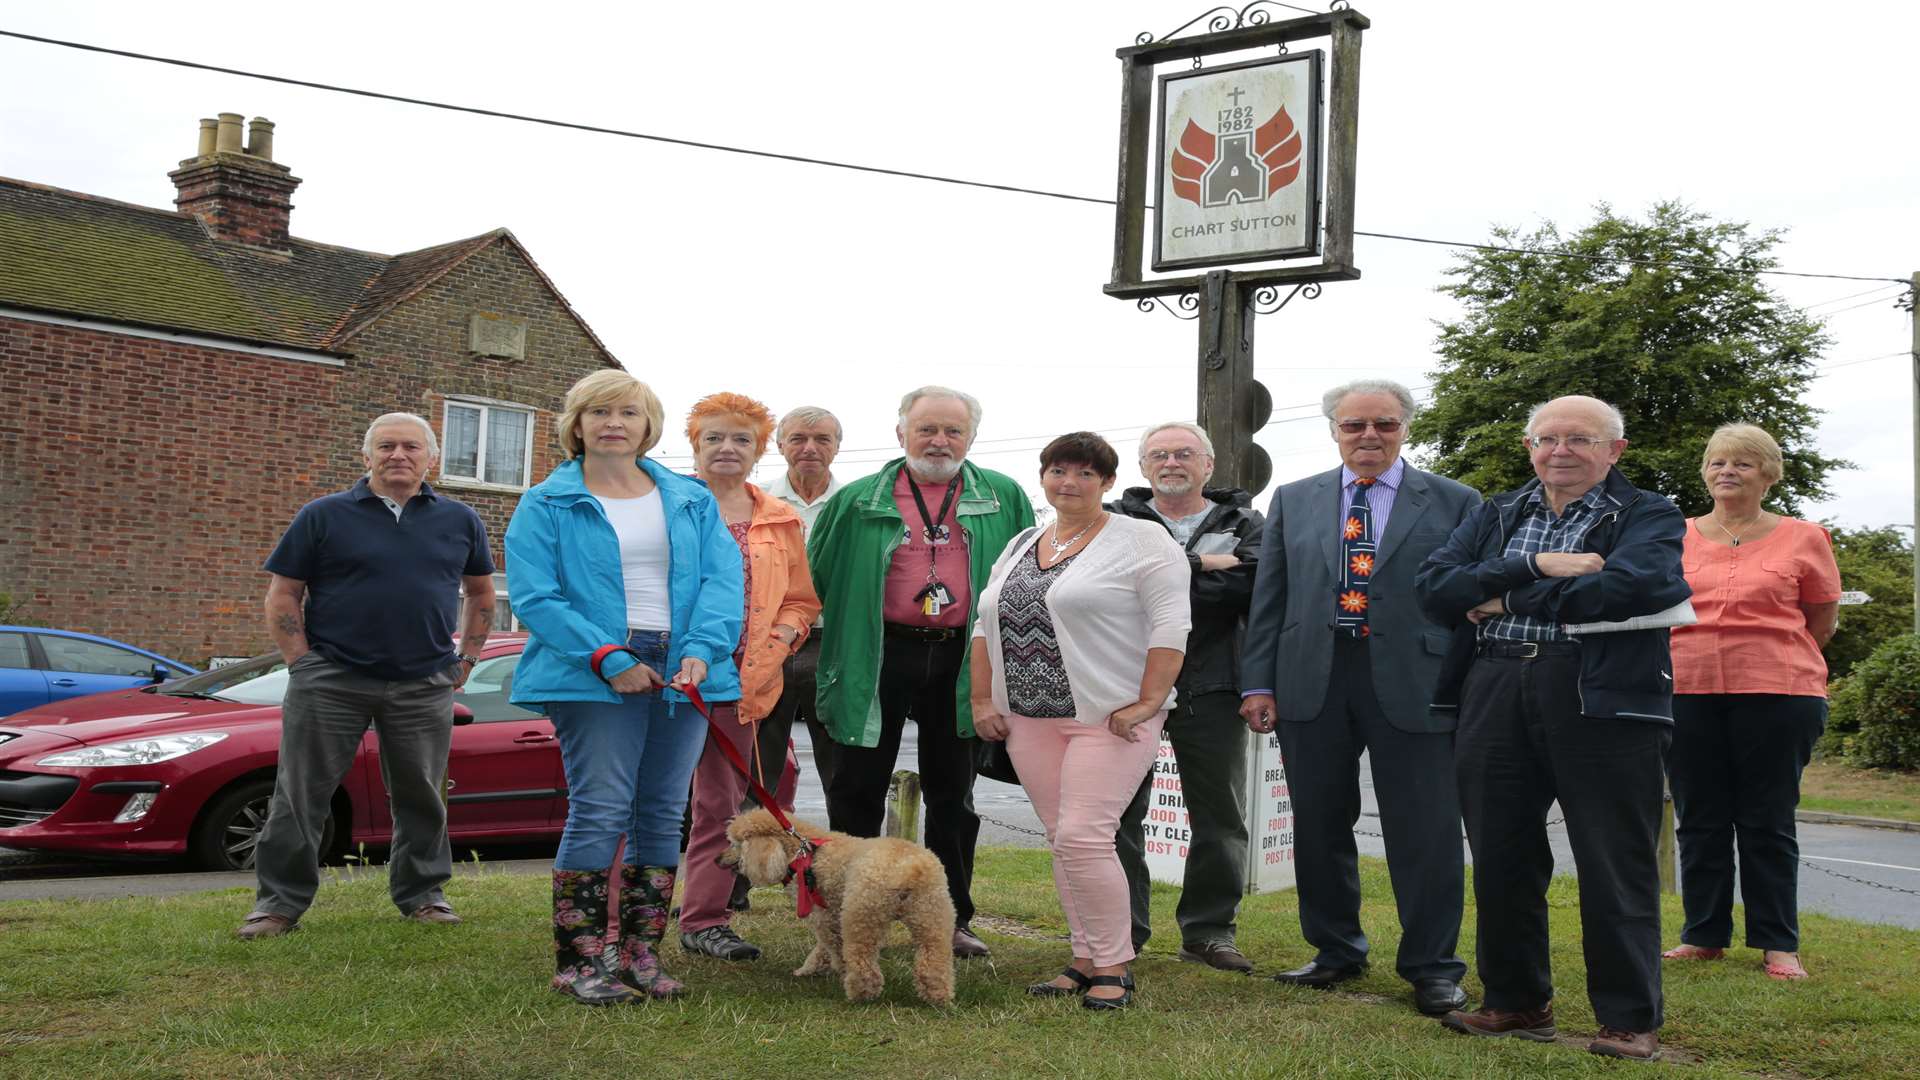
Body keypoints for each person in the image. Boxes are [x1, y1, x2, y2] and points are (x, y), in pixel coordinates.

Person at [1416, 394, 1690, 1062]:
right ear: (1529, 447)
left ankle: (1628, 1019)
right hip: (1494, 685)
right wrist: (1533, 566)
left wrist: (1503, 598)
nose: (1561, 450)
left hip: (1601, 695)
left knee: (1614, 859)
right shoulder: (1498, 511)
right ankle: (1515, 1002)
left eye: (1580, 438)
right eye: (1548, 438)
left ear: (1614, 451)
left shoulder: (1647, 512)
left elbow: (1634, 587)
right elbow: (1434, 588)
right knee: (1502, 855)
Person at [1238, 380, 1480, 1014]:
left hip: (1418, 684)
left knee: (1424, 830)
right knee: (1318, 826)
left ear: (1405, 428)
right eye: (1354, 426)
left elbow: (1466, 604)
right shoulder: (1294, 499)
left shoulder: (1456, 501)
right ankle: (1336, 949)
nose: (1369, 435)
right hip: (1311, 679)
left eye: (1384, 424)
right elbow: (1272, 599)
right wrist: (1259, 681)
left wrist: (1468, 685)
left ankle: (1433, 966)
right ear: (1334, 431)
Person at [505, 370, 741, 1005]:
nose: (614, 422)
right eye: (599, 411)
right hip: (592, 672)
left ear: (648, 425)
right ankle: (580, 961)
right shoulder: (546, 503)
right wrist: (607, 657)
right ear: (576, 425)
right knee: (602, 808)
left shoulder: (691, 500)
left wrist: (701, 651)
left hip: (684, 670)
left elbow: (723, 582)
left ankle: (640, 957)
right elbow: (534, 596)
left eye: (628, 413)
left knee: (662, 811)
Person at [240, 412, 496, 941]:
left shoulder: (460, 520)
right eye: (386, 447)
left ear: (432, 459)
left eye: (410, 447)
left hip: (423, 682)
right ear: (367, 457)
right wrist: (300, 661)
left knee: (422, 796)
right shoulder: (323, 515)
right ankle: (278, 904)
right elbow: (284, 592)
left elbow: (481, 595)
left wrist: (466, 660)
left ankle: (423, 894)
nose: (397, 456)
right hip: (331, 678)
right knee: (300, 796)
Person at [809, 385, 1035, 959]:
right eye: (926, 429)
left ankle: (952, 917)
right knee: (854, 789)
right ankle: (849, 914)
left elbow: (1026, 579)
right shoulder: (858, 499)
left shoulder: (1003, 495)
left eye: (952, 431)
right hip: (876, 652)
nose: (939, 441)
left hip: (964, 658)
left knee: (953, 795)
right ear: (900, 433)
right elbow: (815, 579)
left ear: (971, 438)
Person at [971, 432, 1191, 1009]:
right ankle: (1084, 958)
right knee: (1061, 839)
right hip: (1029, 718)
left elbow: (1172, 625)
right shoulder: (1023, 541)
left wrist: (1149, 702)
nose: (1069, 482)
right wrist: (981, 701)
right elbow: (982, 626)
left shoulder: (1143, 538)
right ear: (1042, 476)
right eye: (1058, 470)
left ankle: (1114, 966)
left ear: (1108, 483)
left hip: (1109, 717)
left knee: (1083, 836)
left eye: (1085, 474)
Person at [1662, 424, 1840, 981]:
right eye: (1717, 462)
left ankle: (1778, 943)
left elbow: (1821, 619)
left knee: (1767, 818)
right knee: (1699, 816)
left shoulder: (1805, 536)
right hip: (1687, 689)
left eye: (1742, 462)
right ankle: (1703, 934)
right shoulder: (1677, 534)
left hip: (1780, 690)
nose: (1726, 471)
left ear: (1768, 473)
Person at [1111, 421, 1263, 973]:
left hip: (1214, 682)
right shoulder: (1114, 520)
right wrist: (1201, 565)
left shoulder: (1245, 521)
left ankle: (1208, 930)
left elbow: (1255, 582)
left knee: (1220, 815)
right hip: (1125, 685)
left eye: (1183, 454)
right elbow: (1108, 584)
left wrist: (1163, 574)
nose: (1171, 462)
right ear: (1143, 465)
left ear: (1208, 465)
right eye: (1159, 454)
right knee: (1120, 813)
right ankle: (1121, 929)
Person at [677, 393, 821, 962]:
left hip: (744, 680)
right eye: (714, 437)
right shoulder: (670, 505)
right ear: (695, 444)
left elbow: (801, 600)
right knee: (650, 804)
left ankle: (705, 920)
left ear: (760, 450)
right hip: (671, 676)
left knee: (720, 803)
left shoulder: (781, 520)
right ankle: (619, 916)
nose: (727, 448)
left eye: (741, 439)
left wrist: (785, 635)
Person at [764, 405, 844, 795]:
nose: (809, 448)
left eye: (822, 439)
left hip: (833, 643)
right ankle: (757, 852)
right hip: (769, 642)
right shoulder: (757, 500)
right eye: (798, 438)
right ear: (780, 445)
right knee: (758, 764)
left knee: (841, 767)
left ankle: (845, 852)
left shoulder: (855, 503)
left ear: (837, 447)